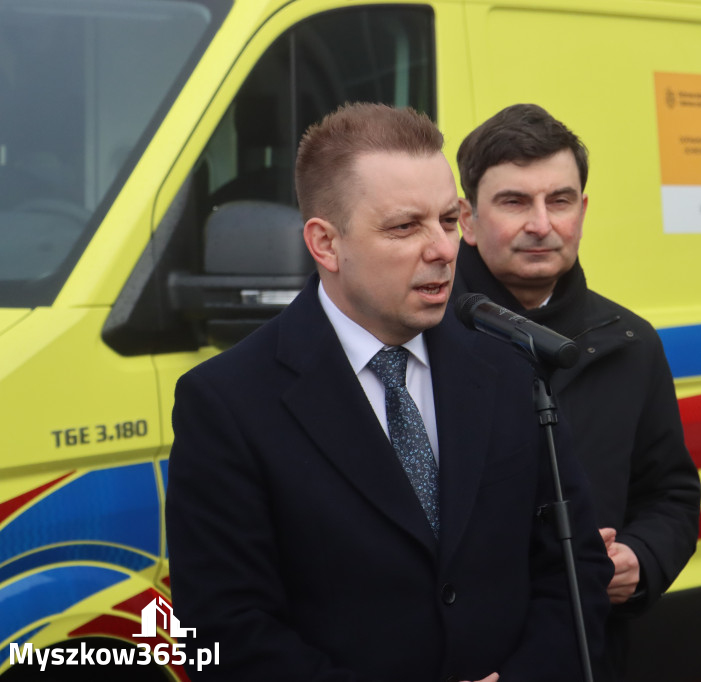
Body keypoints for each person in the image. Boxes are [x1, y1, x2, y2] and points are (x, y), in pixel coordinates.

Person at [166, 103, 612, 682]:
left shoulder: (506, 365)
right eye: (405, 227)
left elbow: (573, 567)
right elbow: (223, 628)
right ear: (325, 244)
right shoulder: (227, 402)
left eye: (449, 221)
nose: (444, 250)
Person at [454, 103, 701, 681]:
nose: (541, 223)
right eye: (514, 202)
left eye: (559, 201)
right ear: (466, 218)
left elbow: (670, 494)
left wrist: (638, 558)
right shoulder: (421, 339)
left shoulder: (630, 343)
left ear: (583, 211)